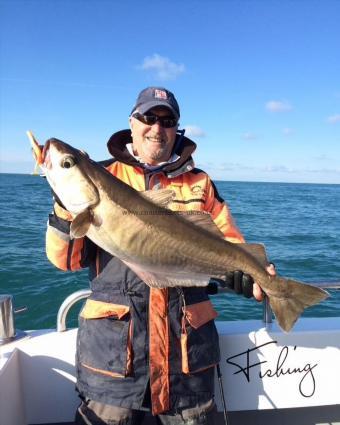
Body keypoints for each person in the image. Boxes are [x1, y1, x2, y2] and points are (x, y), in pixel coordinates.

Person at [46, 87, 275, 425]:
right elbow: (64, 261)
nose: (157, 127)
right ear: (132, 123)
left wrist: (250, 272)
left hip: (186, 366)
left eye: (167, 121)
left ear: (177, 129)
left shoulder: (200, 183)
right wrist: (65, 208)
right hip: (114, 367)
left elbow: (230, 241)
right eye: (148, 117)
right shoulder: (103, 176)